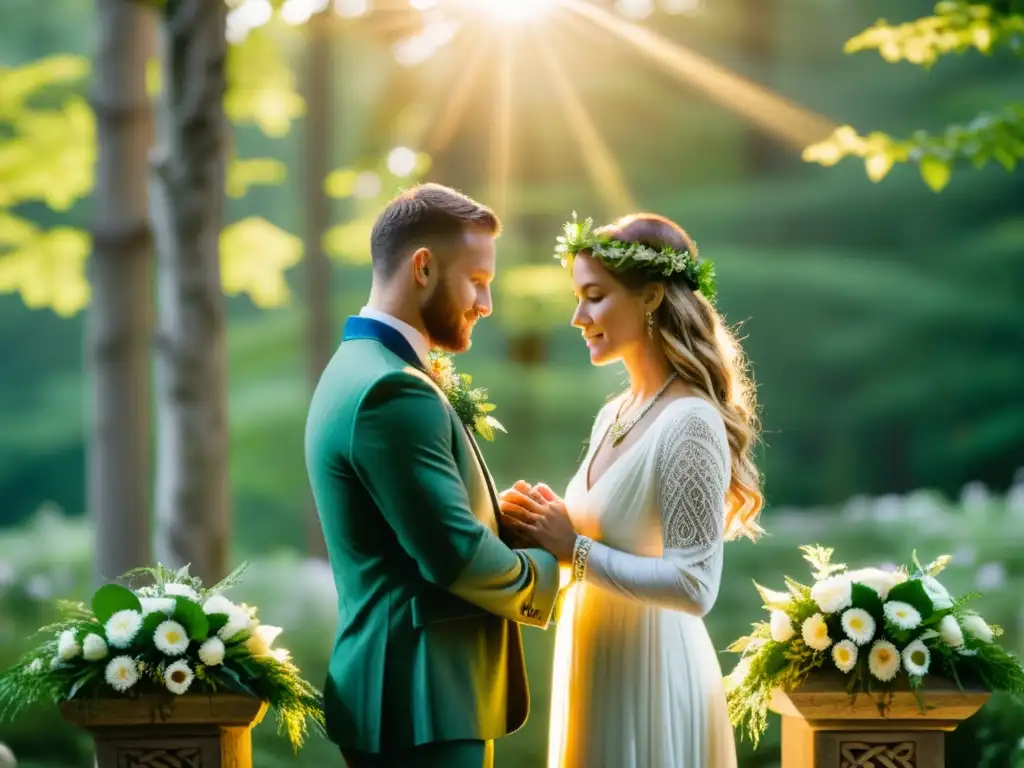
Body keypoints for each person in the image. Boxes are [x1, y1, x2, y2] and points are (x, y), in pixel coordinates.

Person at [305, 183, 561, 768]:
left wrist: (504, 523)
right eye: (477, 280)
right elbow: (453, 556)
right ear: (423, 267)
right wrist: (557, 563)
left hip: (410, 691)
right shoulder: (392, 389)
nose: (486, 303)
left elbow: (414, 530)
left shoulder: (360, 367)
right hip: (420, 696)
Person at [500, 212, 764, 768]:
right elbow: (590, 542)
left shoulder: (690, 422)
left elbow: (695, 586)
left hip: (652, 673)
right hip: (593, 660)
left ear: (649, 297)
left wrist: (575, 549)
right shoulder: (612, 415)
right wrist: (536, 525)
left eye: (594, 296)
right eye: (577, 297)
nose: (578, 317)